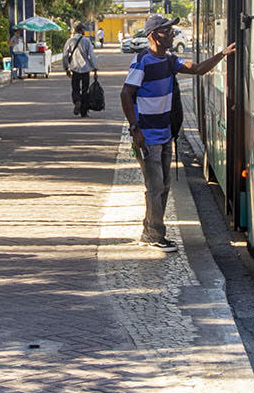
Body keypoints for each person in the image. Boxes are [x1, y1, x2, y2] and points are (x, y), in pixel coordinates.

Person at [120, 14, 235, 252]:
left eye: (172, 31)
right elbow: (126, 94)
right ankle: (153, 235)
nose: (172, 34)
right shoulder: (143, 61)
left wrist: (222, 54)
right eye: (167, 31)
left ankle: (150, 230)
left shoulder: (170, 60)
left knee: (163, 186)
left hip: (165, 134)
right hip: (148, 137)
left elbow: (198, 69)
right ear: (153, 35)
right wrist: (135, 129)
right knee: (155, 187)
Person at [63, 22, 99, 117]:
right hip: (85, 69)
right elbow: (91, 56)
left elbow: (65, 55)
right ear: (82, 30)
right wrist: (95, 69)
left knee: (75, 88)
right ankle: (84, 112)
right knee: (85, 90)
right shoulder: (87, 41)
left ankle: (77, 101)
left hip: (74, 69)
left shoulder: (70, 41)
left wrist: (66, 68)